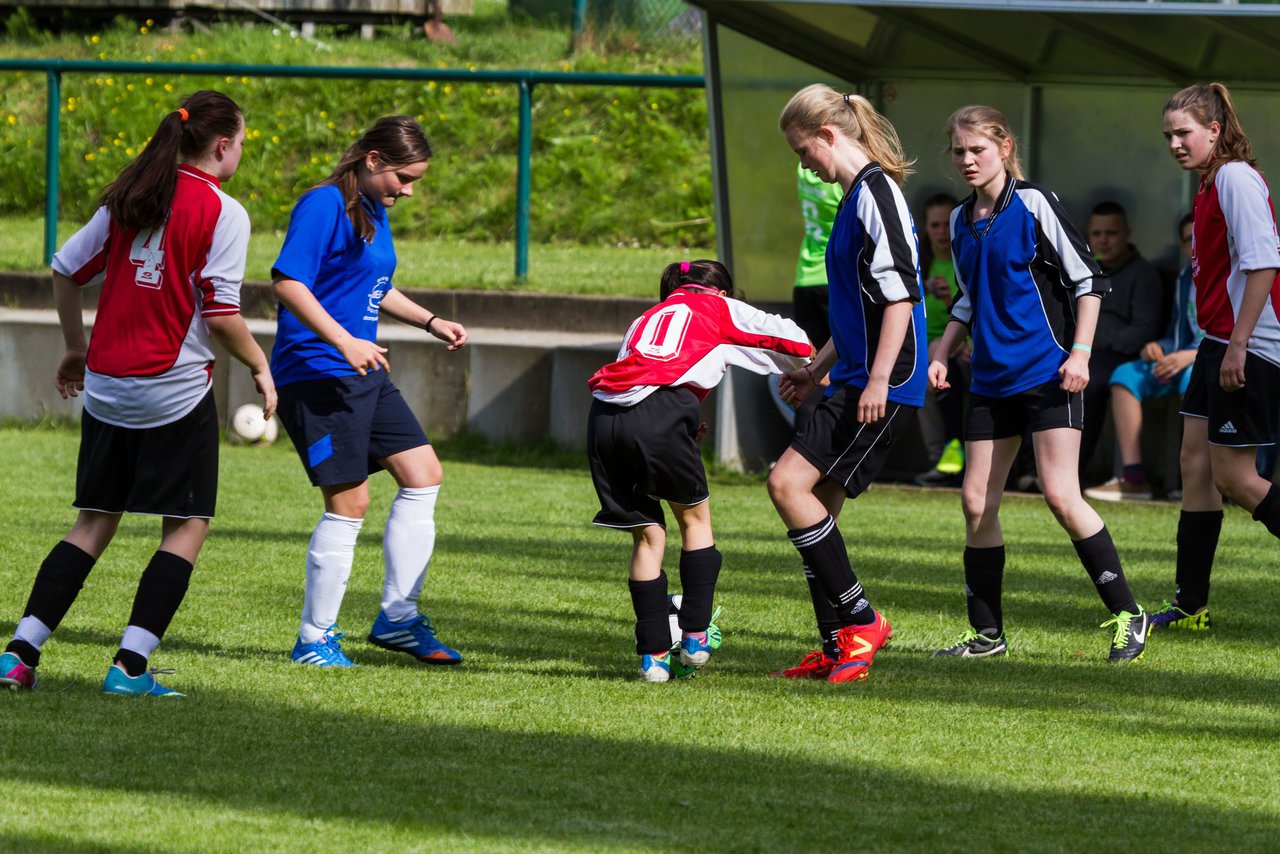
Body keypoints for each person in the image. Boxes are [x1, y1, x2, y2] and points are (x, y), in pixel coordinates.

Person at [0, 91, 276, 697]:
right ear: (223, 146)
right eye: (241, 145)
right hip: (173, 391)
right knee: (187, 524)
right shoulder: (225, 212)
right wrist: (260, 365)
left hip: (107, 387)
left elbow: (66, 269)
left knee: (93, 521)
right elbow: (223, 313)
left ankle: (19, 655)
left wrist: (77, 345)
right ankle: (129, 667)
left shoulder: (132, 195)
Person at [928, 105, 1149, 663]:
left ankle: (1129, 615)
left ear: (1004, 147)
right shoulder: (958, 221)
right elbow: (968, 296)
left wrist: (1081, 353)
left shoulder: (1034, 203)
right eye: (959, 151)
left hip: (1050, 372)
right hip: (990, 380)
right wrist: (943, 348)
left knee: (1060, 495)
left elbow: (1088, 279)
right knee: (976, 502)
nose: (967, 160)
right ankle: (988, 636)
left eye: (977, 149)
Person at [271, 116, 468, 668]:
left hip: (361, 371)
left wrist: (432, 322)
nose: (407, 190)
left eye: (414, 182)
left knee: (424, 474)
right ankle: (314, 640)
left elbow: (374, 286)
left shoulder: (373, 208)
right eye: (402, 177)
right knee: (350, 503)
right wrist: (345, 340)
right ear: (374, 160)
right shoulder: (324, 204)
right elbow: (287, 282)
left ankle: (398, 619)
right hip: (316, 372)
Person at [768, 84, 927, 684]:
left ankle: (862, 620)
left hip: (885, 382)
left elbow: (901, 297)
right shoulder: (855, 196)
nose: (803, 164)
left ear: (830, 136)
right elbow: (858, 307)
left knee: (787, 486)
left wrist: (878, 378)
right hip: (855, 377)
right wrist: (819, 366)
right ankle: (838, 647)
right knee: (816, 510)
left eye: (804, 150)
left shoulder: (876, 195)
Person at [587, 260, 812, 682]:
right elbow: (795, 340)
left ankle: (652, 658)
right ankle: (694, 637)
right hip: (662, 413)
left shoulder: (644, 319)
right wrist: (812, 369)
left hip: (604, 418)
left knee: (648, 535)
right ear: (721, 291)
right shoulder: (715, 306)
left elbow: (642, 375)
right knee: (695, 520)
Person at [1150, 84, 1280, 631]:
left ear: (1215, 131)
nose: (1176, 144)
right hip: (1216, 341)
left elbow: (1264, 263)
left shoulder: (1233, 177)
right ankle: (1189, 605)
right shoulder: (1208, 183)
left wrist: (1240, 345)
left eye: (1185, 133)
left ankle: (1190, 603)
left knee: (1237, 479)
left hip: (1247, 344)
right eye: (1169, 136)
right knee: (1196, 467)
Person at [1085, 213, 1203, 501]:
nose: (1196, 246)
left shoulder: (1233, 274)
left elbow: (1235, 337)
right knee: (1125, 376)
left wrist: (1189, 355)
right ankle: (1134, 478)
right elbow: (1178, 330)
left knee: (1193, 379)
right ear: (1181, 246)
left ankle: (1198, 481)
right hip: (1180, 356)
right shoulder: (1186, 276)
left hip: (1212, 360)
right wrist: (1159, 347)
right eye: (1189, 240)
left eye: (1203, 238)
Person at [1078, 201, 1165, 476]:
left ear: (1127, 233)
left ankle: (1073, 472)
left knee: (1085, 385)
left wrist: (1092, 339)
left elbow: (1143, 332)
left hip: (1120, 357)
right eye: (1097, 233)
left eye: (1111, 233)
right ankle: (1030, 469)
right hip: (1083, 351)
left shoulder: (1144, 275)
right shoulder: (1083, 270)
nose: (1103, 240)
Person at [914, 192, 968, 487]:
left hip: (963, 346)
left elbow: (973, 311)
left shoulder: (966, 261)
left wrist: (949, 300)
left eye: (947, 224)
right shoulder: (918, 266)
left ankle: (953, 456)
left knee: (936, 356)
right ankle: (942, 460)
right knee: (926, 373)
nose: (941, 232)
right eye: (935, 225)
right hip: (927, 352)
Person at [792, 162, 844, 351]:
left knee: (813, 360)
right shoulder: (840, 185)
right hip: (831, 279)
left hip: (804, 278)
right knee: (842, 356)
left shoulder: (803, 172)